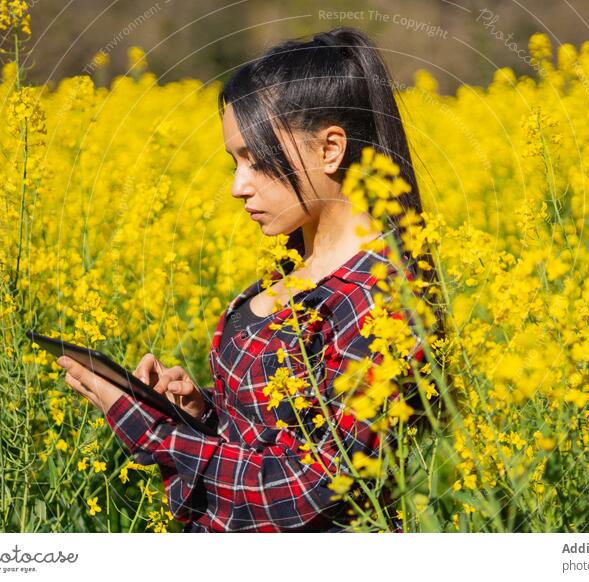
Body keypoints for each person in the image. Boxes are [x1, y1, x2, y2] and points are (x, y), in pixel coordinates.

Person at [56, 26, 442, 532]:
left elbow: (320, 486)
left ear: (330, 149)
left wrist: (154, 433)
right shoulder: (292, 268)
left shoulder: (381, 299)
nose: (238, 187)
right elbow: (275, 437)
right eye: (233, 163)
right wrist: (201, 416)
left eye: (256, 161)